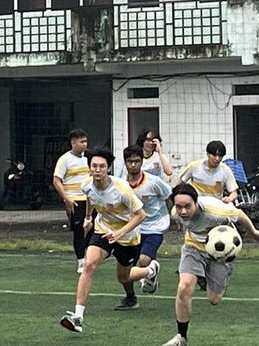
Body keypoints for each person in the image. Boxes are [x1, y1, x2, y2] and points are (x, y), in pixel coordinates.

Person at [59, 147, 160, 333]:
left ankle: (149, 271)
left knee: (123, 277)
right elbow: (90, 198)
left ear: (108, 168)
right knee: (89, 265)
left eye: (102, 166)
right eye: (94, 166)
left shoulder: (122, 189)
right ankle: (78, 317)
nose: (97, 170)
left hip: (128, 237)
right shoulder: (87, 184)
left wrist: (120, 233)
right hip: (103, 231)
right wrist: (89, 217)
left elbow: (140, 215)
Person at [160, 183, 259, 346]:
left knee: (214, 299)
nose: (183, 211)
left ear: (196, 203)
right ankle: (181, 338)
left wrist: (253, 232)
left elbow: (239, 214)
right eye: (179, 207)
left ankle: (215, 275)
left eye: (187, 206)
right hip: (193, 247)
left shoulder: (215, 210)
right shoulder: (176, 213)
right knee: (184, 287)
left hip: (221, 253)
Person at [117, 144, 174, 310]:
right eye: (129, 162)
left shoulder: (154, 181)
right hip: (131, 228)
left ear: (142, 162)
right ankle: (130, 297)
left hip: (155, 227)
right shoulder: (120, 183)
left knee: (143, 260)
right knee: (124, 271)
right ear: (125, 163)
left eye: (136, 161)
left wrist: (175, 215)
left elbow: (169, 195)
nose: (133, 165)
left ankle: (149, 270)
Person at [53, 128, 91, 273]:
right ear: (73, 143)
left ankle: (89, 250)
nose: (85, 145)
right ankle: (81, 261)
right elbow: (57, 181)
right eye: (82, 142)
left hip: (90, 199)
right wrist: (66, 198)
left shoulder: (88, 157)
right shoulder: (64, 160)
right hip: (74, 199)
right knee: (78, 230)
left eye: (86, 141)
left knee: (95, 226)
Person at [174, 140, 239, 203]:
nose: (217, 159)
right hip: (197, 205)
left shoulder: (226, 170)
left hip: (216, 206)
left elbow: (234, 193)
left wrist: (229, 199)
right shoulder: (194, 166)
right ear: (207, 154)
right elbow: (179, 183)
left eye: (220, 156)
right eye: (214, 155)